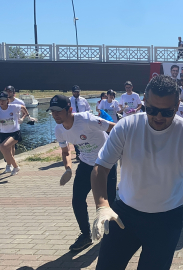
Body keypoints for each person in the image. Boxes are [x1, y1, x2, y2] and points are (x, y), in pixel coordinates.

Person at [90, 75, 183, 269]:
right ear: (144, 101)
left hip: (166, 221)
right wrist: (102, 206)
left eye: (167, 112)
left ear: (177, 104)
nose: (159, 117)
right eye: (152, 110)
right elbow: (101, 167)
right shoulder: (126, 127)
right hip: (125, 215)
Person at [50, 94, 117, 251]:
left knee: (110, 201)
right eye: (52, 111)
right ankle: (86, 235)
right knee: (77, 200)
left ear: (69, 109)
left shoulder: (87, 119)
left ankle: (114, 236)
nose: (55, 115)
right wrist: (67, 169)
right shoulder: (59, 129)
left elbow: (114, 128)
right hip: (86, 163)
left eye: (58, 111)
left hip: (106, 161)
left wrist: (119, 149)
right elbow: (65, 152)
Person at [0, 92, 31, 176]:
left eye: (4, 100)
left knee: (3, 147)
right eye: (0, 100)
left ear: (7, 100)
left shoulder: (13, 107)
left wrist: (24, 117)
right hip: (3, 132)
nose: (2, 102)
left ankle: (15, 166)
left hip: (15, 132)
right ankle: (9, 165)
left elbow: (23, 108)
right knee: (8, 150)